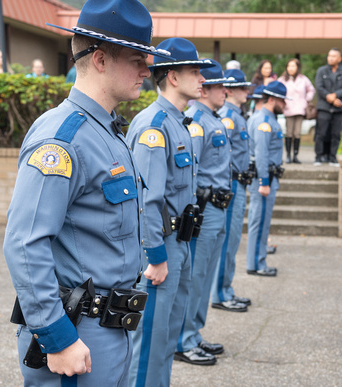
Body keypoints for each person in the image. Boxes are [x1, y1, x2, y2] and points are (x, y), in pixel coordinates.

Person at [2, 0, 173, 385]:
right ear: (100, 59)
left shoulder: (107, 132)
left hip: (109, 329)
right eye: (137, 59)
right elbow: (24, 243)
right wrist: (57, 338)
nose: (148, 70)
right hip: (77, 332)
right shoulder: (63, 140)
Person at [125, 37, 215, 385]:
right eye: (195, 71)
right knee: (149, 341)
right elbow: (147, 199)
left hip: (181, 242)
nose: (202, 79)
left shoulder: (178, 121)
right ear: (173, 77)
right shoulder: (154, 127)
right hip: (162, 247)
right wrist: (157, 255)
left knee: (166, 339)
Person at [176, 60, 237, 365]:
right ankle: (183, 340)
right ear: (206, 90)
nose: (225, 91)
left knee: (205, 274)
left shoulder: (211, 118)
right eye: (220, 86)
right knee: (196, 277)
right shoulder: (196, 121)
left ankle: (194, 333)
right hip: (206, 207)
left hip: (219, 205)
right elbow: (192, 172)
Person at [212, 68, 253, 312]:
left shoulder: (235, 115)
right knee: (227, 242)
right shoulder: (228, 116)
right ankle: (221, 293)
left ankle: (226, 289)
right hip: (232, 183)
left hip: (239, 182)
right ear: (229, 89)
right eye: (242, 87)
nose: (246, 91)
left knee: (233, 241)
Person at [245, 81, 287, 277]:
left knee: (261, 222)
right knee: (259, 223)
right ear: (272, 99)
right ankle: (257, 264)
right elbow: (261, 154)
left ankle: (257, 261)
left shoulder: (267, 118)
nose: (285, 104)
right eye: (282, 99)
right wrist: (264, 181)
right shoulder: (264, 122)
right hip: (264, 178)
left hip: (267, 177)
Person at [314, 48, 342, 167]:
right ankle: (319, 157)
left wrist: (335, 96)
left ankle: (332, 157)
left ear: (339, 59)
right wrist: (329, 97)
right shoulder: (321, 71)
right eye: (329, 56)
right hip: (324, 107)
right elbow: (319, 87)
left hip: (338, 108)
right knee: (321, 133)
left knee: (335, 134)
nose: (330, 58)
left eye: (333, 56)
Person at [279, 58, 315, 164]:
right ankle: (288, 156)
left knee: (297, 133)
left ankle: (295, 155)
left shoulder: (303, 79)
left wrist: (307, 99)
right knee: (289, 133)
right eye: (289, 66)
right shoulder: (282, 79)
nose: (291, 68)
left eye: (293, 66)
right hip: (288, 109)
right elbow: (277, 90)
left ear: (297, 67)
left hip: (300, 109)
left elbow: (311, 90)